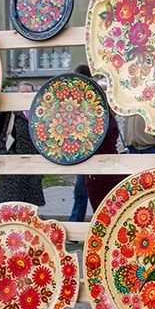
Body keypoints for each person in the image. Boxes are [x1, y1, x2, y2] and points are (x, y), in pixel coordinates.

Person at [0, 81, 44, 206]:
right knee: (11, 204)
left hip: (33, 166)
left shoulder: (38, 113)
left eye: (28, 93)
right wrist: (3, 158)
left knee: (30, 206)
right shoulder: (10, 112)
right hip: (13, 166)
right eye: (22, 93)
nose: (24, 96)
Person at [68, 65, 94, 221]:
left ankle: (76, 222)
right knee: (81, 191)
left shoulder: (91, 98)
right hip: (84, 151)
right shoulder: (77, 99)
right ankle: (75, 223)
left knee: (83, 191)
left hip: (90, 150)